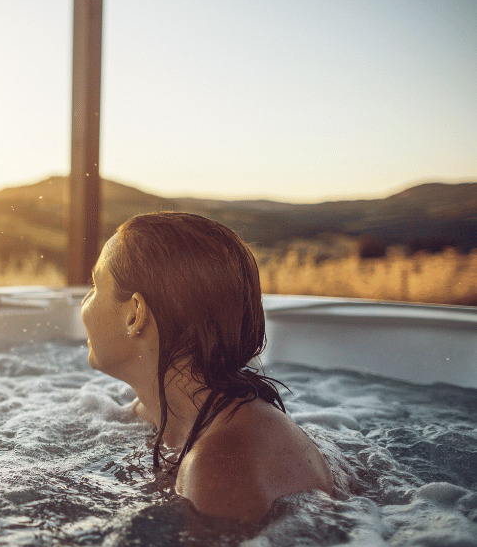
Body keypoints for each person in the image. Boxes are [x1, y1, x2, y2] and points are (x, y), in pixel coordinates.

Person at [81, 212, 333, 522]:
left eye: (94, 286)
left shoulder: (221, 468)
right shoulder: (154, 413)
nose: (84, 305)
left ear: (134, 314)